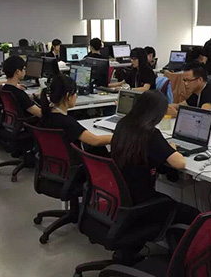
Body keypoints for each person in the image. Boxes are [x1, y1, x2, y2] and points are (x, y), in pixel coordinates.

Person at [111, 90, 199, 228]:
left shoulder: (123, 124)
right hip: (143, 201)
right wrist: (172, 149)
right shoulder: (150, 133)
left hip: (123, 195)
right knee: (196, 215)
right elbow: (180, 163)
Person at [39, 74, 111, 148]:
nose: (76, 96)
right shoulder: (67, 122)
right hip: (72, 155)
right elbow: (95, 141)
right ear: (68, 96)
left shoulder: (46, 114)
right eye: (75, 93)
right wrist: (114, 137)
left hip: (55, 154)